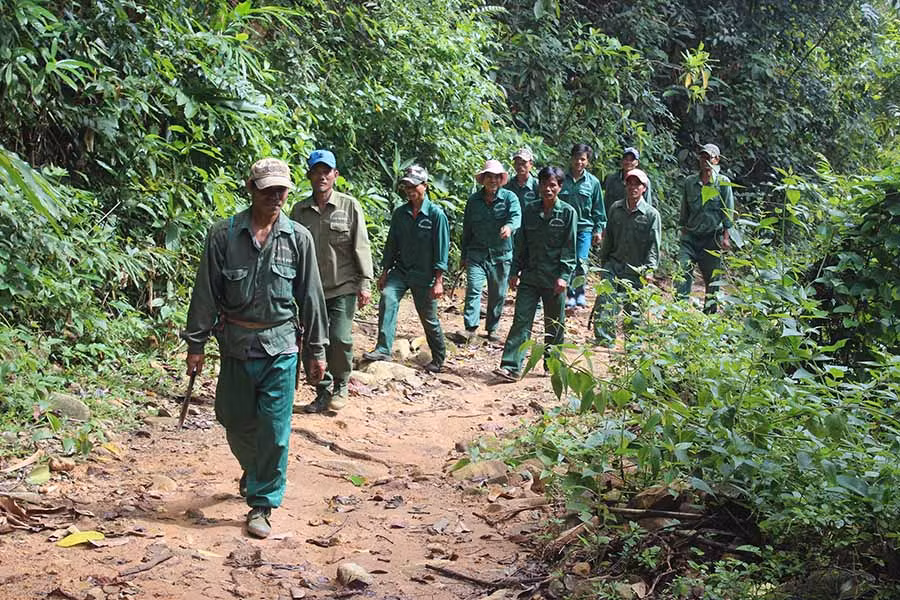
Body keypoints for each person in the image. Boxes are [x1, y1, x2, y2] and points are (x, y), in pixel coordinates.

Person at [182, 157, 328, 539]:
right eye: (268, 189)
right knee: (232, 418)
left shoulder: (298, 238)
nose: (276, 196)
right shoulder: (223, 235)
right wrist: (195, 344)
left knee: (276, 429)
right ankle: (255, 468)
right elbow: (205, 293)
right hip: (236, 346)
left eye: (282, 190)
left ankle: (262, 501)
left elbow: (311, 297)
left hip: (281, 347)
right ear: (251, 189)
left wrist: (317, 350)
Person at [290, 149, 374, 413]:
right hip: (310, 290)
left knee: (339, 338)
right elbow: (291, 250)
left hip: (343, 286)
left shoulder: (349, 206)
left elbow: (361, 245)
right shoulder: (299, 211)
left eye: (326, 172)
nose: (321, 177)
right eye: (316, 172)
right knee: (313, 342)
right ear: (309, 176)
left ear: (335, 175)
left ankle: (341, 384)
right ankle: (322, 390)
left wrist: (365, 283)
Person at [492, 166, 577, 382]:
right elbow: (521, 245)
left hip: (554, 279)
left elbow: (570, 249)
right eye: (544, 184)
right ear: (538, 185)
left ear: (559, 187)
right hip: (530, 277)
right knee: (521, 320)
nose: (548, 189)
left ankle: (553, 365)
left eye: (552, 185)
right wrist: (513, 271)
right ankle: (511, 366)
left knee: (554, 324)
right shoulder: (529, 210)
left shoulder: (568, 213)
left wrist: (564, 277)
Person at [363, 165, 449, 373]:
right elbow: (392, 244)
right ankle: (383, 348)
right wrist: (385, 271)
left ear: (425, 186)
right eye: (406, 187)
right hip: (401, 271)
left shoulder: (436, 215)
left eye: (414, 186)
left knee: (428, 318)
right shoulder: (400, 214)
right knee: (388, 298)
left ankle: (438, 357)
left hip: (425, 274)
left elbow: (441, 249)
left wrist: (438, 281)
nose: (410, 190)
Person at [592, 168, 661, 346]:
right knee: (605, 301)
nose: (632, 187)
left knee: (634, 309)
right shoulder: (616, 208)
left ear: (644, 188)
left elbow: (654, 245)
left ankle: (633, 345)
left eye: (637, 184)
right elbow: (610, 238)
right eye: (629, 183)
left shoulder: (651, 215)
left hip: (636, 269)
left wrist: (650, 269)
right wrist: (603, 263)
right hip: (613, 264)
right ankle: (604, 341)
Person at [454, 159, 522, 343]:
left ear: (501, 179)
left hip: (501, 255)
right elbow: (467, 229)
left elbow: (516, 217)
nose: (492, 180)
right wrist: (464, 256)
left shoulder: (510, 198)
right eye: (489, 177)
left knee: (498, 293)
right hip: (476, 254)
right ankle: (470, 328)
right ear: (483, 179)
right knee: (474, 289)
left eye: (496, 177)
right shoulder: (473, 201)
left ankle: (492, 328)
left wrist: (509, 227)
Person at [675, 143, 735, 313]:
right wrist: (683, 230)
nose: (705, 161)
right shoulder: (690, 182)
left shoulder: (723, 183)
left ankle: (710, 315)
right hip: (691, 237)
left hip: (712, 239)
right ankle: (678, 312)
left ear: (716, 160)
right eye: (703, 157)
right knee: (682, 270)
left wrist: (726, 237)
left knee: (713, 279)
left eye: (709, 157)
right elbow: (684, 209)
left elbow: (728, 211)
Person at [559, 143, 605, 309]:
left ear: (587, 161)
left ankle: (579, 292)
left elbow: (598, 208)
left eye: (583, 159)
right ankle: (569, 294)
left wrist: (598, 230)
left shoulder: (593, 183)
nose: (579, 162)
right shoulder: (561, 179)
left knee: (581, 260)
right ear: (571, 159)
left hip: (584, 228)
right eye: (576, 158)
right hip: (564, 227)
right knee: (566, 260)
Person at [602, 146, 654, 214]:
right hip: (615, 219)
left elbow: (647, 204)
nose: (628, 162)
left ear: (637, 162)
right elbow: (606, 202)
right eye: (626, 159)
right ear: (622, 161)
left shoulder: (644, 181)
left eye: (631, 160)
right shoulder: (612, 179)